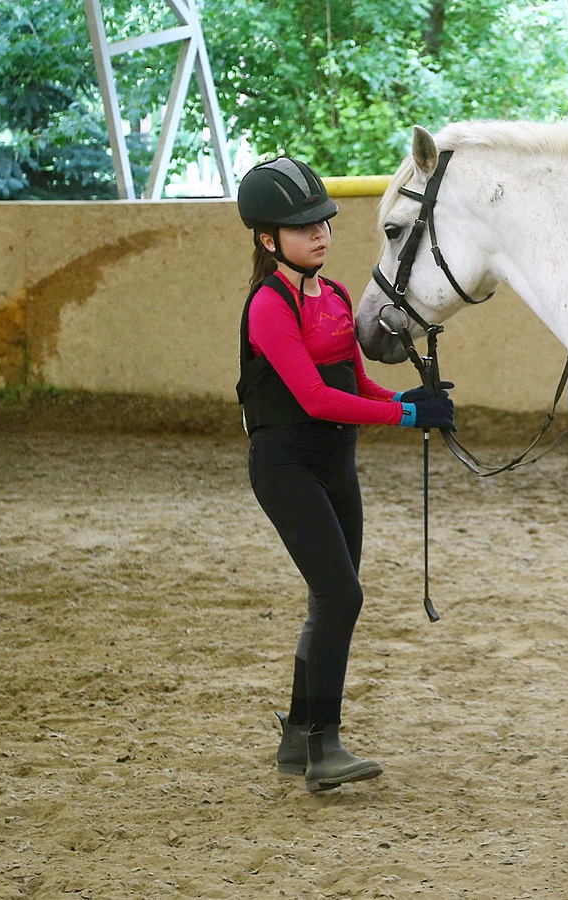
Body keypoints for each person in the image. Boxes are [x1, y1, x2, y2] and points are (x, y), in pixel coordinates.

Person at [234, 156, 454, 792]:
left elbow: (352, 382)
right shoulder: (269, 308)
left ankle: (299, 738)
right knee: (341, 595)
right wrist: (406, 415)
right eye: (304, 229)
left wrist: (412, 398)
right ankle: (325, 746)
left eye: (323, 224)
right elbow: (312, 398)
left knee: (331, 597)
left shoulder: (331, 296)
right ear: (268, 240)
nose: (321, 235)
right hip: (286, 466)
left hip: (336, 462)